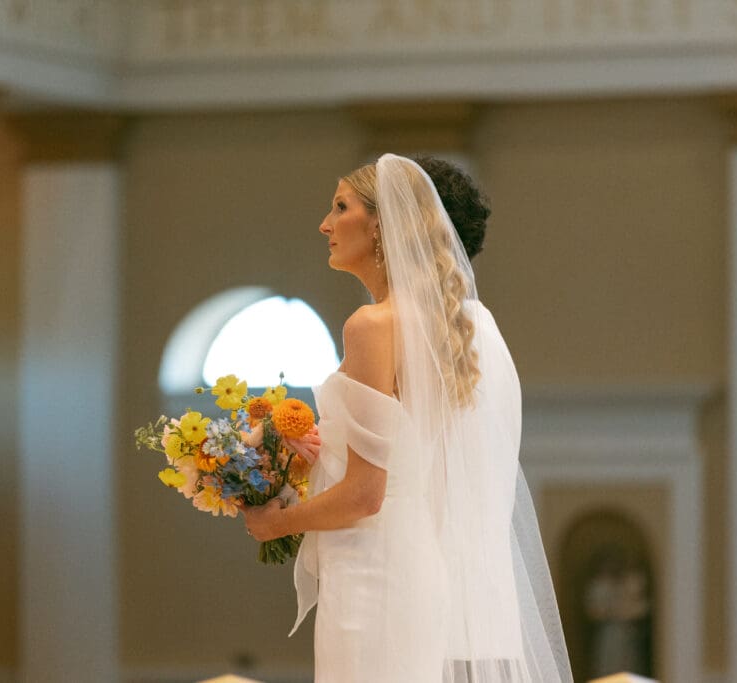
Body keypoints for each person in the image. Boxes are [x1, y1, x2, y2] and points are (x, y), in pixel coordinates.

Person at [242, 153, 572, 682]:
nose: (325, 224)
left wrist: (276, 521)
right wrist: (307, 455)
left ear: (381, 224)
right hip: (421, 565)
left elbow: (366, 492)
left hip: (372, 568)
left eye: (340, 207)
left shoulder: (372, 325)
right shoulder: (472, 326)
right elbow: (418, 463)